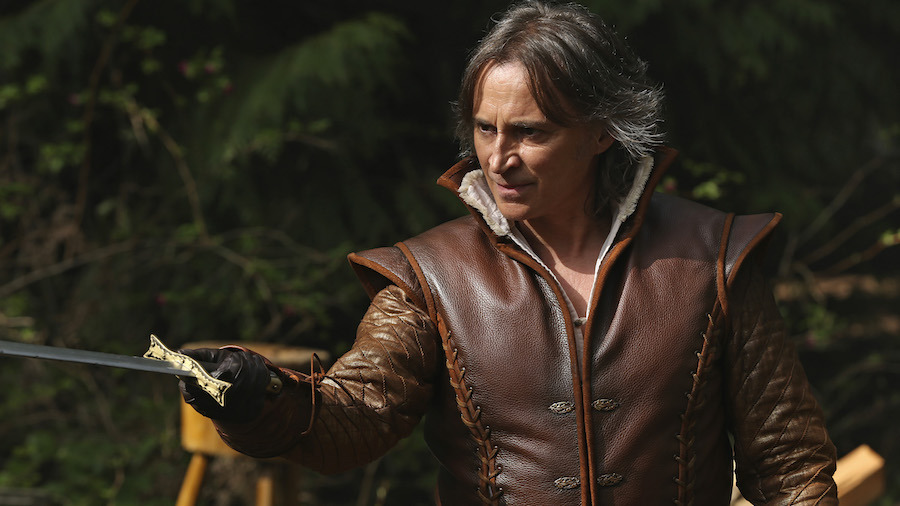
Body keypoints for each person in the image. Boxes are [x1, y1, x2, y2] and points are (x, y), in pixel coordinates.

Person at [179, 1, 838, 504]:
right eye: (485, 129)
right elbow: (353, 418)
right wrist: (260, 396)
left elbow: (789, 464)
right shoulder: (431, 278)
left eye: (529, 132)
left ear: (601, 132)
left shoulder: (714, 258)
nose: (499, 159)